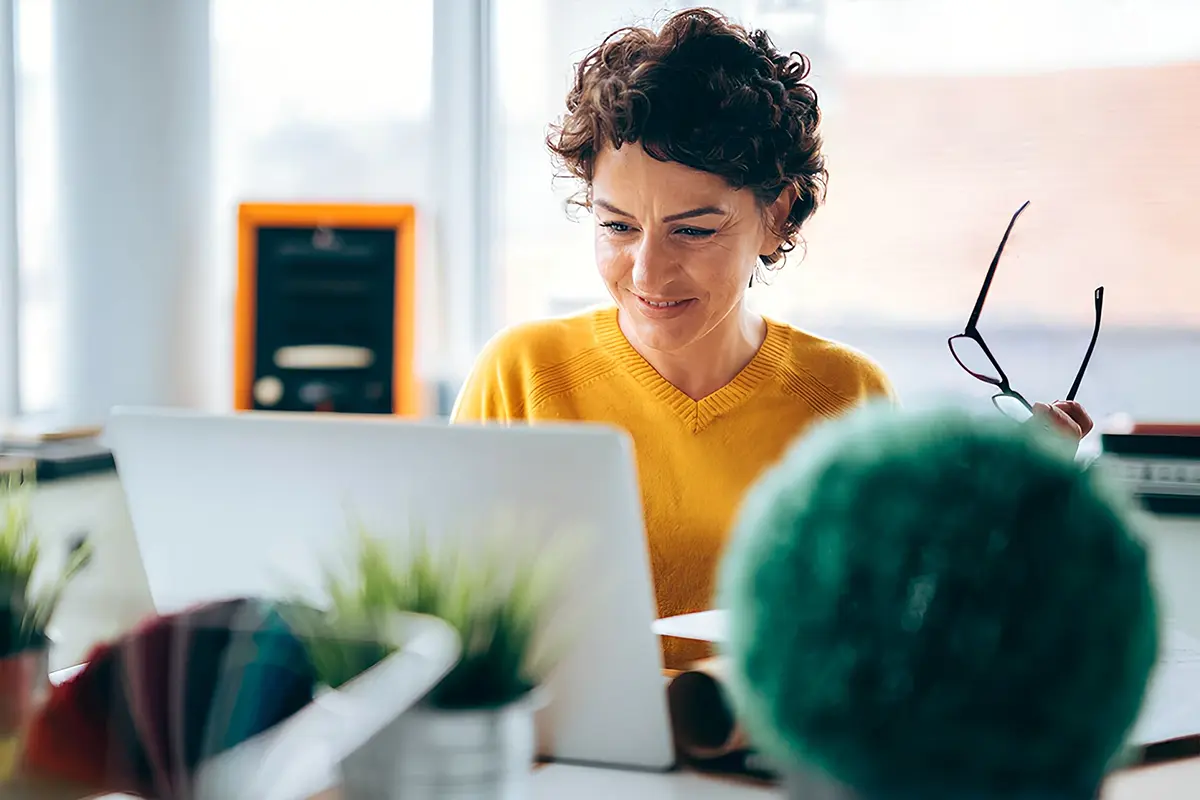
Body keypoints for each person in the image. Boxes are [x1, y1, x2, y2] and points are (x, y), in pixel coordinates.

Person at [451, 7, 1093, 668]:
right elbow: (448, 620)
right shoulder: (522, 375)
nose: (647, 271)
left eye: (693, 230)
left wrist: (1011, 503)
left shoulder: (845, 396)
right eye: (617, 227)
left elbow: (895, 631)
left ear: (776, 216)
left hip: (763, 766)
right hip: (563, 760)